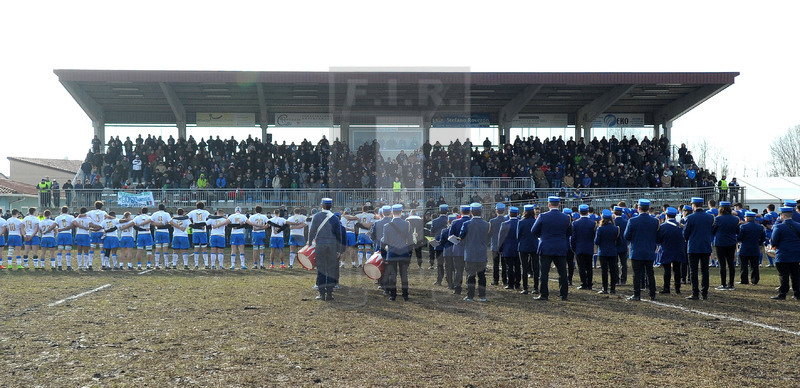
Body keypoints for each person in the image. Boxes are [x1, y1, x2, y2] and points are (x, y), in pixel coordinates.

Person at [531, 196, 571, 301]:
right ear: (559, 205)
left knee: (544, 273)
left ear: (549, 205)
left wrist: (543, 236)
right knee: (562, 272)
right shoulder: (566, 217)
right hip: (560, 247)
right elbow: (569, 232)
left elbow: (534, 230)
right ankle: (564, 295)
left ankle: (544, 294)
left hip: (546, 246)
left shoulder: (542, 216)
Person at [306, 197, 343, 301]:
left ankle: (322, 294)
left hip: (320, 245)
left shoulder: (317, 217)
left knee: (321, 270)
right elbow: (339, 235)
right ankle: (330, 294)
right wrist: (339, 250)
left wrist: (309, 244)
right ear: (331, 206)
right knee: (331, 270)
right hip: (332, 246)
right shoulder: (335, 218)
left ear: (321, 206)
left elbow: (312, 231)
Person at [624, 199, 660, 301]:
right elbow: (658, 237)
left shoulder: (632, 221)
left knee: (636, 274)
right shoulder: (655, 221)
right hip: (649, 251)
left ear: (638, 208)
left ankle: (637, 294)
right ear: (648, 209)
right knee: (650, 273)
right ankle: (652, 294)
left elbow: (627, 236)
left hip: (636, 251)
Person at [684, 197, 715, 300]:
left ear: (693, 205)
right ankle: (705, 292)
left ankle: (695, 293)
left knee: (693, 271)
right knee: (705, 270)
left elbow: (685, 233)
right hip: (705, 246)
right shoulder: (710, 217)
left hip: (693, 247)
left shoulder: (690, 217)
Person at [458, 203, 491, 302]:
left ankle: (470, 296)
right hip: (482, 253)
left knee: (470, 276)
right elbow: (488, 238)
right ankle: (482, 296)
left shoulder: (466, 224)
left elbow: (461, 236)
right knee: (482, 276)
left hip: (470, 253)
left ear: (471, 212)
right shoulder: (487, 224)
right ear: (481, 212)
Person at [381, 204, 413, 301]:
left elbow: (384, 241)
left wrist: (384, 255)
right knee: (404, 275)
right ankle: (405, 295)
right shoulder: (407, 224)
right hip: (404, 252)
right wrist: (409, 254)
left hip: (392, 253)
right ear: (401, 212)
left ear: (392, 213)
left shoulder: (386, 226)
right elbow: (410, 241)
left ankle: (393, 295)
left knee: (392, 275)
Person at [769, 206, 800, 300]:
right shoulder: (799, 225)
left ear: (783, 216)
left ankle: (782, 294)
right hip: (796, 254)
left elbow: (774, 242)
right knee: (796, 275)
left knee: (783, 275)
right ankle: (797, 294)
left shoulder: (779, 226)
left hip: (783, 254)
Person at [657, 207, 686, 295]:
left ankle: (667, 288)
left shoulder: (663, 227)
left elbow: (658, 240)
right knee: (677, 270)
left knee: (667, 271)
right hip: (678, 250)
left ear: (667, 215)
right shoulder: (680, 226)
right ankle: (677, 288)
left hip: (666, 250)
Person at [713, 201, 740, 290]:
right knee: (731, 263)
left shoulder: (718, 219)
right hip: (731, 242)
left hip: (720, 243)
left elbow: (713, 230)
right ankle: (731, 284)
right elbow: (737, 231)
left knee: (722, 264)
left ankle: (723, 284)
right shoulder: (735, 219)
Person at [594, 209, 620, 294]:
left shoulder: (600, 228)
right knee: (613, 270)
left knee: (604, 271)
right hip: (613, 251)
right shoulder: (616, 228)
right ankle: (613, 288)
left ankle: (604, 288)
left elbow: (596, 241)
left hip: (603, 252)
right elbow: (618, 240)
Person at [571, 204, 596, 290]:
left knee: (581, 267)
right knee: (589, 266)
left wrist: (574, 247)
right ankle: (589, 283)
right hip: (589, 247)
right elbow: (594, 236)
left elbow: (573, 238)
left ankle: (583, 283)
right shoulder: (593, 223)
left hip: (579, 247)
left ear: (579, 212)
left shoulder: (575, 223)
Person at [737, 211, 766, 286]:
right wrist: (759, 243)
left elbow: (739, 237)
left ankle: (744, 280)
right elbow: (763, 238)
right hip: (755, 248)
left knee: (744, 265)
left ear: (746, 218)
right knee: (754, 266)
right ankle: (755, 280)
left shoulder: (743, 226)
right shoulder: (760, 227)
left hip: (744, 248)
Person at [448, 205, 472, 295]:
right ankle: (470, 289)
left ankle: (457, 289)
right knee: (470, 270)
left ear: (461, 212)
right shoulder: (471, 222)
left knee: (458, 270)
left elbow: (450, 236)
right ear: (469, 212)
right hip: (469, 250)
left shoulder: (455, 222)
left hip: (458, 249)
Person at [516, 205, 538, 294]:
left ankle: (525, 288)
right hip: (534, 245)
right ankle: (536, 288)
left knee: (524, 268)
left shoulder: (521, 222)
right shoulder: (536, 221)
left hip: (523, 246)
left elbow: (518, 236)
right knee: (536, 268)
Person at [497, 206, 520, 289]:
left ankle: (510, 283)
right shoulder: (520, 223)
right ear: (517, 214)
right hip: (518, 248)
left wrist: (499, 248)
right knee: (517, 267)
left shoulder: (504, 224)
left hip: (508, 248)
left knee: (509, 267)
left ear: (509, 214)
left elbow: (501, 238)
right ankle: (517, 283)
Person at [488, 203, 508, 286]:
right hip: (504, 245)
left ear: (496, 211)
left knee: (495, 264)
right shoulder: (507, 220)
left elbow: (489, 234)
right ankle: (504, 280)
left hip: (495, 245)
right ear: (504, 211)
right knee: (504, 264)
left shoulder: (492, 221)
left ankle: (495, 280)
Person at [188, 202, 210, 269]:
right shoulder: (205, 212)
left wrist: (192, 224)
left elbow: (186, 217)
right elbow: (209, 218)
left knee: (196, 248)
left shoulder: (192, 212)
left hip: (195, 232)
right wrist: (204, 224)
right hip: (202, 232)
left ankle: (196, 264)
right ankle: (206, 264)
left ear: (196, 206)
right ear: (203, 206)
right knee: (204, 248)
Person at [86, 201, 108, 271]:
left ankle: (90, 264)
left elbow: (84, 216)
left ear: (95, 206)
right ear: (101, 207)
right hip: (100, 231)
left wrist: (91, 224)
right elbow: (107, 218)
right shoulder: (103, 212)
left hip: (94, 232)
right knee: (102, 248)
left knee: (92, 248)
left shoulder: (91, 212)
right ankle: (103, 264)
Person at [150, 204, 173, 269]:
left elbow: (151, 222)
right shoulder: (167, 214)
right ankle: (166, 264)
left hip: (158, 231)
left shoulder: (155, 214)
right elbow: (170, 222)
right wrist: (163, 224)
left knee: (158, 248)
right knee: (165, 248)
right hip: (165, 232)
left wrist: (157, 224)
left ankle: (157, 264)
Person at [428, 204, 449, 271]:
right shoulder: (450, 220)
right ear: (447, 211)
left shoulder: (435, 221)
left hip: (438, 241)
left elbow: (432, 231)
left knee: (439, 259)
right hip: (448, 242)